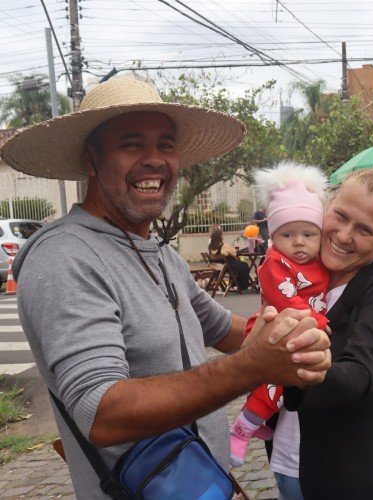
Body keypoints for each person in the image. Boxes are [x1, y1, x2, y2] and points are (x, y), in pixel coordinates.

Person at [1, 77, 331, 498]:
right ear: (92, 159)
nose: (154, 160)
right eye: (132, 144)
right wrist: (253, 366)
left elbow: (224, 329)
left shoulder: (158, 252)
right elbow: (101, 412)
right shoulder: (66, 257)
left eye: (166, 145)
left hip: (202, 481)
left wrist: (292, 336)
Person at [276, 167, 373, 499]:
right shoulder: (297, 276)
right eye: (341, 215)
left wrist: (290, 368)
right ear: (327, 204)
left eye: (364, 229)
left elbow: (359, 373)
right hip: (287, 463)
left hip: (353, 479)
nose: (344, 235)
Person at [229, 162, 330, 468]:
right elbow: (286, 298)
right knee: (276, 382)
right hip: (279, 327)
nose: (299, 242)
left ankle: (263, 421)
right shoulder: (275, 263)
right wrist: (323, 324)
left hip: (301, 330)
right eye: (288, 234)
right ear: (274, 235)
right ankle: (241, 427)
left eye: (308, 234)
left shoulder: (320, 261)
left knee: (293, 383)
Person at [209, 224, 251, 292]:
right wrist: (233, 249)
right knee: (244, 266)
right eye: (222, 234)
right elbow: (234, 254)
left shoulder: (211, 247)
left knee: (240, 266)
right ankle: (243, 287)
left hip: (221, 266)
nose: (223, 236)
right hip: (229, 265)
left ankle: (234, 284)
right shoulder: (224, 246)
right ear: (219, 236)